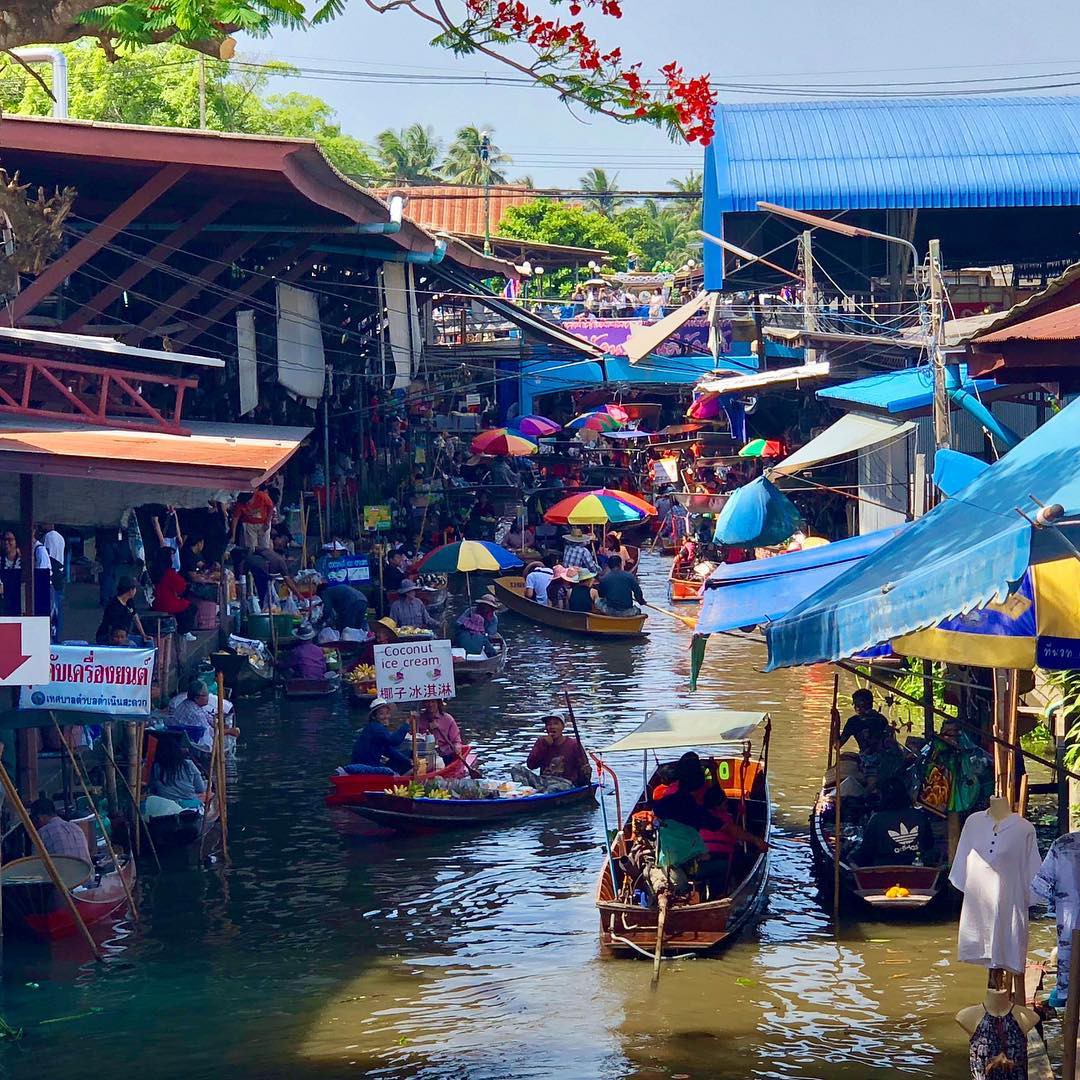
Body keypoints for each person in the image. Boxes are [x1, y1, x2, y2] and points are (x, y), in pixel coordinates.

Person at [697, 785, 768, 897]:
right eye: (724, 802)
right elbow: (734, 835)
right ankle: (727, 890)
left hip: (701, 859)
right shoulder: (724, 819)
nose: (727, 804)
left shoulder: (699, 815)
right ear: (717, 805)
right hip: (720, 859)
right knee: (742, 860)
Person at [853, 778, 935, 867]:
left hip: (884, 872)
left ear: (883, 797)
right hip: (917, 869)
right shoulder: (920, 816)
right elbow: (929, 845)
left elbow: (866, 852)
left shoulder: (877, 820)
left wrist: (852, 858)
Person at [339, 699, 412, 775]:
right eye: (381, 714)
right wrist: (406, 724)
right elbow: (395, 741)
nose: (386, 717)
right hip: (365, 768)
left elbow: (389, 751)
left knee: (401, 761)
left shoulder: (374, 728)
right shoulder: (376, 728)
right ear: (374, 717)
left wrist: (408, 761)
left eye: (387, 713)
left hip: (367, 765)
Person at [525, 714, 590, 786]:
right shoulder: (541, 742)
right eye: (549, 724)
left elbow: (584, 771)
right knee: (516, 769)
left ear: (562, 727)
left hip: (565, 784)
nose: (552, 727)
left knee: (555, 787)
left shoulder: (574, 744)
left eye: (556, 723)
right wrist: (543, 746)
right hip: (544, 782)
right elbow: (531, 765)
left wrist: (586, 773)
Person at [147, 735, 207, 808]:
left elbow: (153, 788)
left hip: (166, 805)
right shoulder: (188, 764)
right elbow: (201, 788)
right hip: (188, 804)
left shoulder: (156, 767)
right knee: (209, 794)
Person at [151, 548, 197, 640]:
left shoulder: (153, 570)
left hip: (156, 602)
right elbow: (181, 586)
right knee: (191, 607)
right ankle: (184, 630)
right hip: (168, 602)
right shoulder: (169, 572)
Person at [28, 797, 92, 863]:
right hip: (87, 872)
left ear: (39, 818)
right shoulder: (76, 828)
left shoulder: (42, 833)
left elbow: (35, 865)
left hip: (62, 873)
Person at [96, 576, 147, 645]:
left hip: (123, 635)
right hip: (110, 637)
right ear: (131, 590)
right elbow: (114, 629)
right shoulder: (114, 606)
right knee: (133, 645)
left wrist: (143, 635)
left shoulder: (129, 601)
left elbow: (135, 617)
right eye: (135, 589)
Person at [171, 680, 216, 751]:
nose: (208, 698)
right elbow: (208, 733)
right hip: (192, 743)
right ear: (196, 698)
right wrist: (228, 731)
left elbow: (208, 717)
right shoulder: (196, 713)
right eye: (205, 695)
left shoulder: (186, 703)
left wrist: (216, 723)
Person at [418, 699, 463, 766]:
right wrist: (428, 728)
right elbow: (415, 738)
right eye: (427, 702)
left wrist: (457, 748)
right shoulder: (419, 719)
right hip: (425, 754)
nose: (430, 705)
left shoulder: (448, 719)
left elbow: (456, 740)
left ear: (438, 703)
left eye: (433, 701)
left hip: (445, 753)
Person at [455, 591, 501, 656]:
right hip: (467, 632)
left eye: (488, 606)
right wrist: (468, 625)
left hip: (483, 636)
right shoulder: (471, 611)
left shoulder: (493, 618)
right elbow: (459, 622)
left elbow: (491, 632)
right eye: (484, 605)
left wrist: (482, 634)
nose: (485, 607)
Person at [40, 522, 66, 641]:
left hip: (53, 577)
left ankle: (53, 637)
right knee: (57, 610)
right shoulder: (60, 537)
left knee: (53, 609)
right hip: (59, 576)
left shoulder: (49, 537)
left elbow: (49, 557)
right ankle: (56, 636)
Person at [230, 484, 275, 550]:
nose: (247, 504)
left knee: (264, 546)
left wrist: (267, 522)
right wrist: (233, 535)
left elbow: (271, 507)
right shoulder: (240, 503)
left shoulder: (262, 496)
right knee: (251, 547)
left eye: (248, 502)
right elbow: (235, 519)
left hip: (263, 522)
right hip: (249, 524)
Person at [0, 529, 21, 616]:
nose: (6, 542)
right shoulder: (0, 560)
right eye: (4, 539)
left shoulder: (25, 562)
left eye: (10, 539)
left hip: (20, 602)